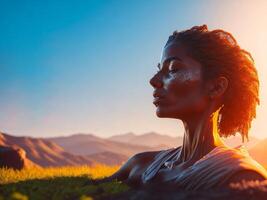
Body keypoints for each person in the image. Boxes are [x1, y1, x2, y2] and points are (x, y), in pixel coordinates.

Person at [105, 25, 267, 190]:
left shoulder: (241, 177)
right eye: (159, 69)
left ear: (216, 87)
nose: (153, 80)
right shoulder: (140, 164)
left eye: (173, 69)